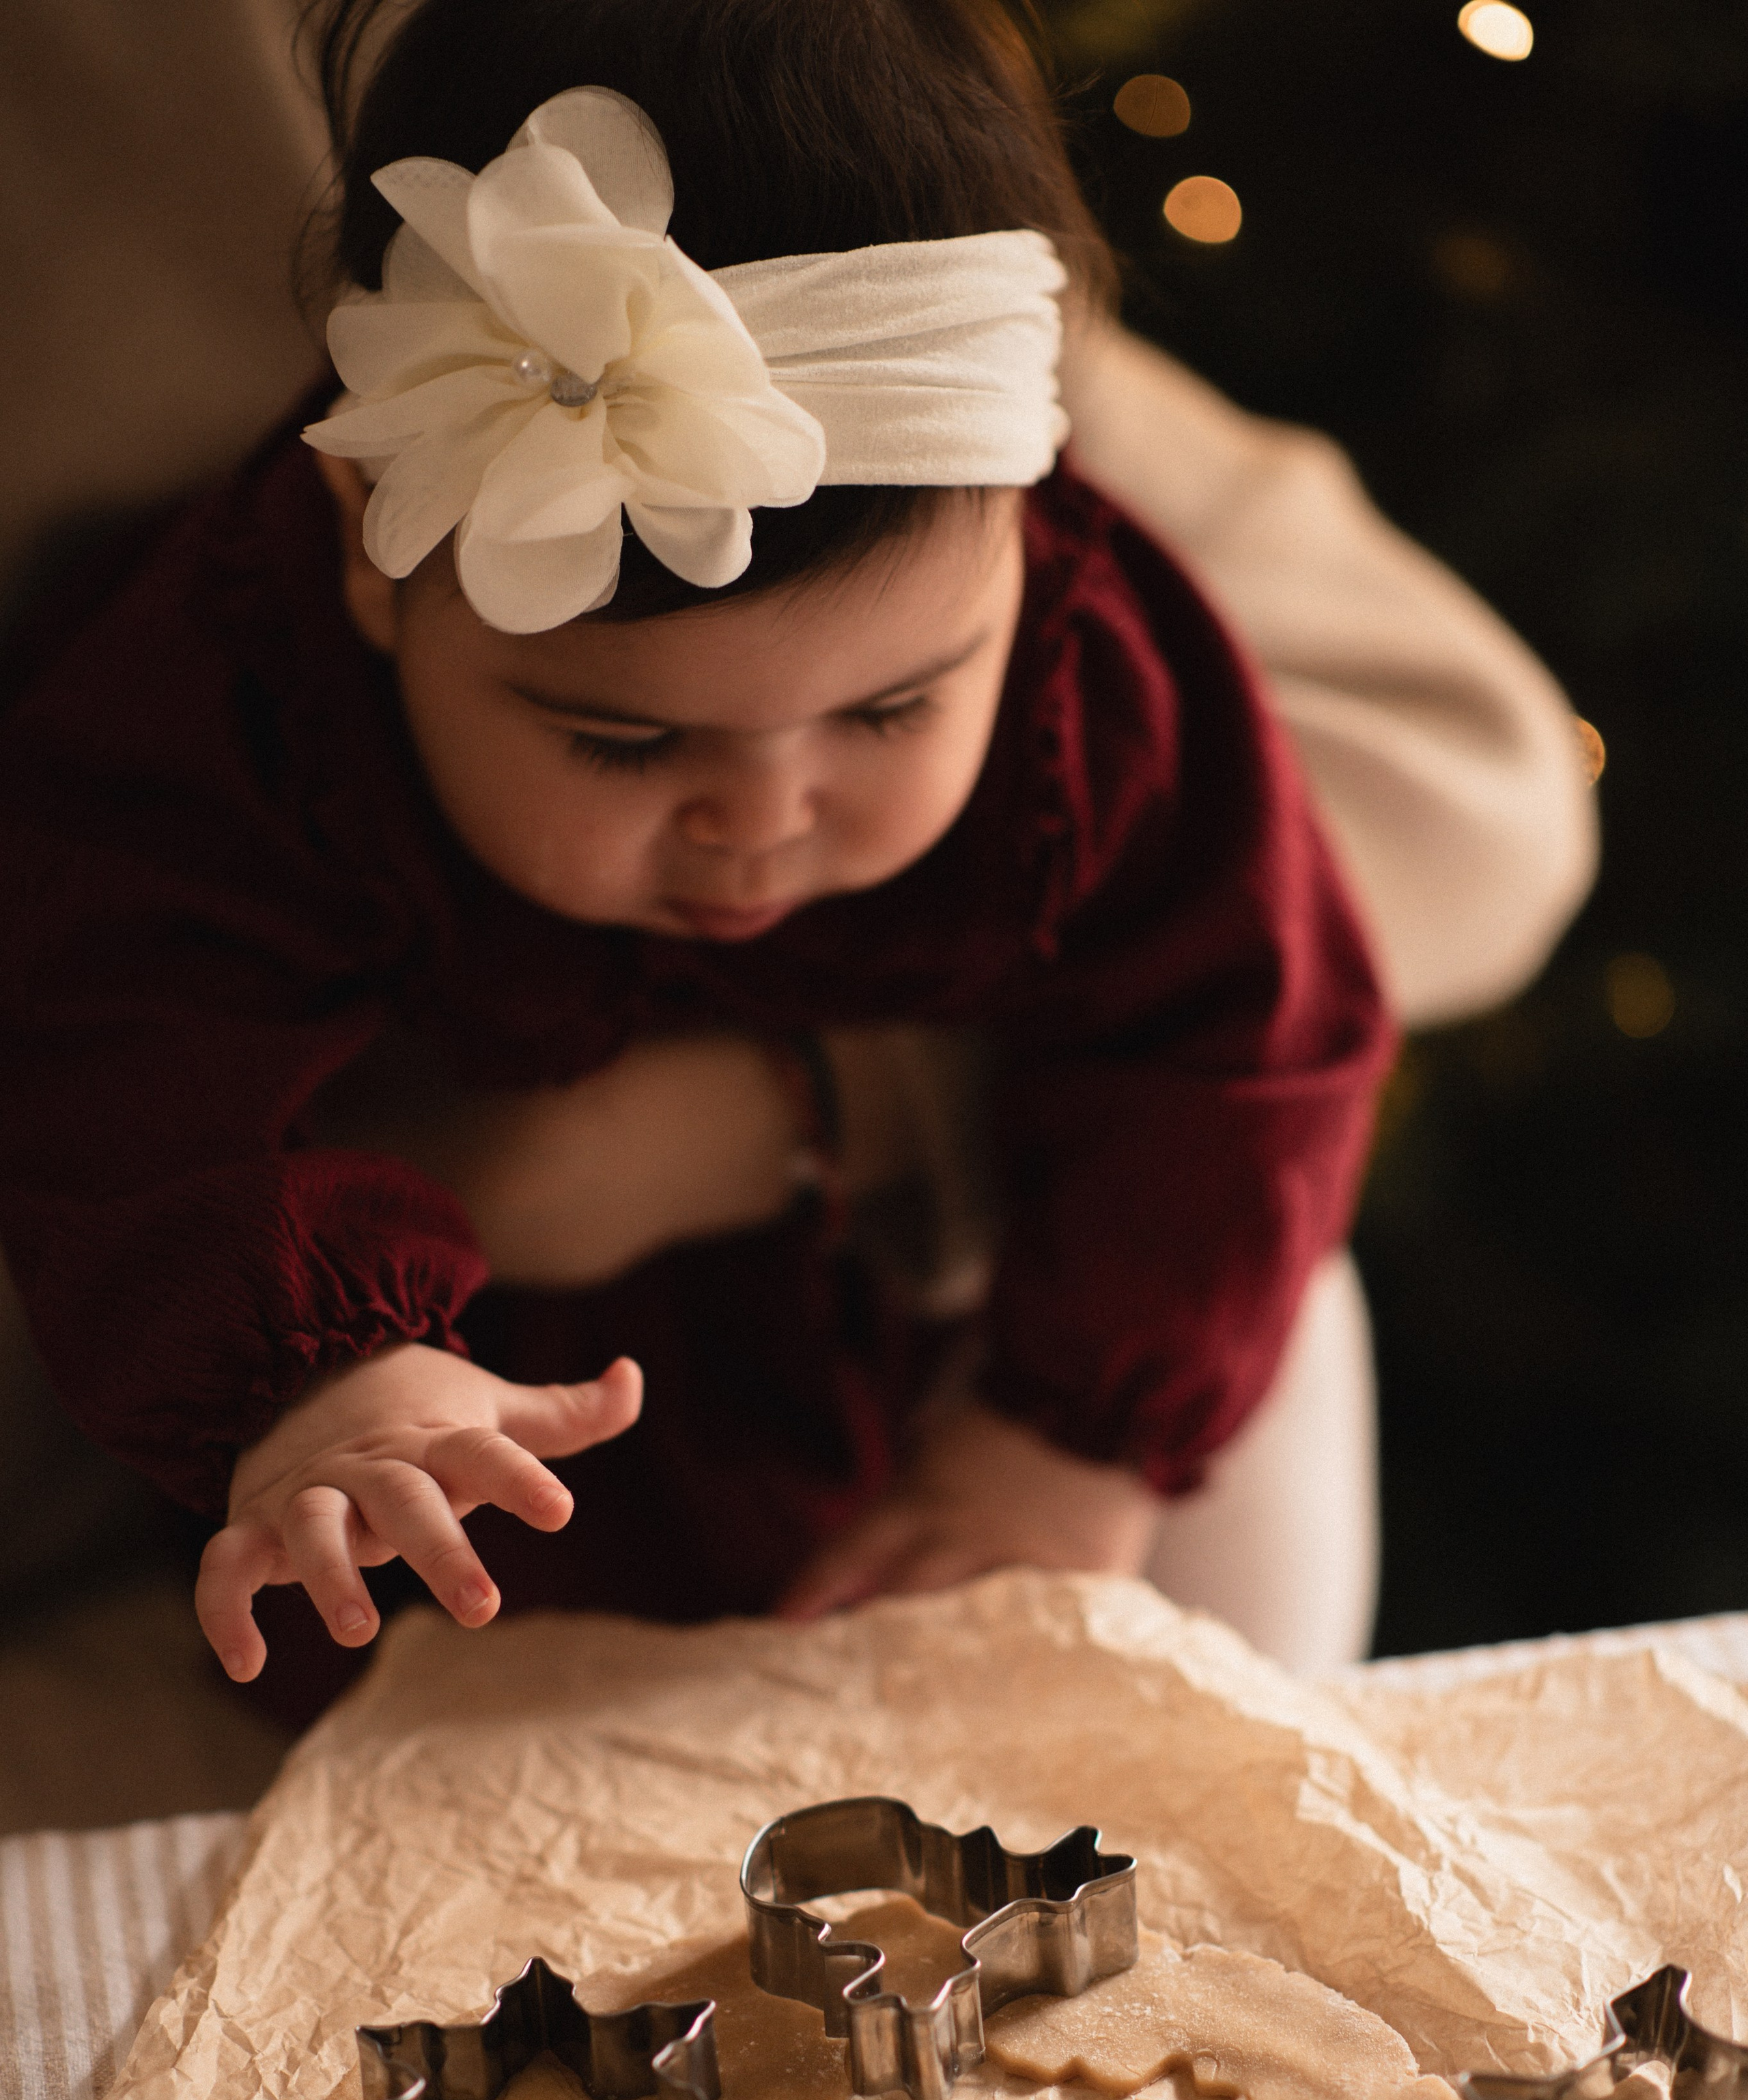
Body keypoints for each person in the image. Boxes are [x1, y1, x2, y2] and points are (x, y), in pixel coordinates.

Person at [1, 0, 1408, 1712]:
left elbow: (1249, 1037)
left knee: (1274, 1336)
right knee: (476, 1738)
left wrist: (1074, 1434)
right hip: (498, 1422)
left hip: (995, 1324)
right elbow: (117, 1060)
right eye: (620, 739)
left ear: (1027, 556)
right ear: (374, 569)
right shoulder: (230, 692)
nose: (762, 815)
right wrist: (320, 1369)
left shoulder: (1099, 661)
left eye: (889, 710)